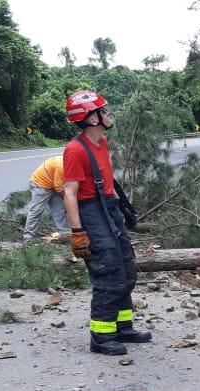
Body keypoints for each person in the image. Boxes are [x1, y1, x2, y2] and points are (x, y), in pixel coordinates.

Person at [61, 90, 152, 355]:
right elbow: (70, 192)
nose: (108, 114)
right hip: (90, 213)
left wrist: (120, 211)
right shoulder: (75, 150)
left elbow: (107, 184)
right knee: (108, 274)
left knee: (126, 269)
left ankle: (123, 327)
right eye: (104, 111)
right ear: (91, 119)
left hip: (107, 210)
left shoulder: (102, 143)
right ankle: (101, 337)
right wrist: (78, 232)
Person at [22, 156, 70, 240]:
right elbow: (59, 188)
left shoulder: (69, 163)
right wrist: (69, 199)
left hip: (53, 184)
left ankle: (64, 233)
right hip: (40, 185)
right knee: (36, 210)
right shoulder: (61, 166)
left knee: (59, 209)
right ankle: (28, 236)